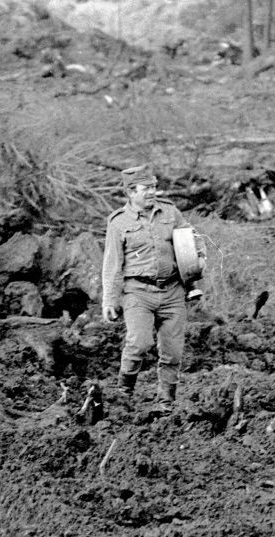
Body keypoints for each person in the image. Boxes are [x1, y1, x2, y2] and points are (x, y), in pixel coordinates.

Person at [101, 165, 203, 413]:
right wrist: (109, 300)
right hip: (138, 292)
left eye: (154, 187)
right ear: (130, 192)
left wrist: (199, 257)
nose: (152, 193)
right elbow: (112, 265)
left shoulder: (170, 212)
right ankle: (124, 393)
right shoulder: (119, 222)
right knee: (139, 343)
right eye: (146, 189)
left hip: (173, 291)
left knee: (172, 350)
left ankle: (166, 402)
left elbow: (191, 239)